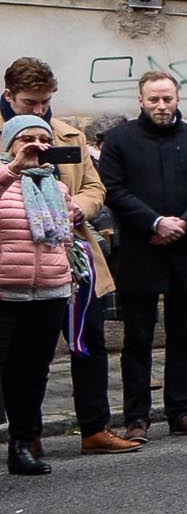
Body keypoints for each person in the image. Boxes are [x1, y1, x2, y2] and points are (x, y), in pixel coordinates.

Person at [98, 69, 187, 442]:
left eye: (167, 98)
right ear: (141, 101)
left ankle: (181, 411)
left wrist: (183, 223)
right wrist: (154, 222)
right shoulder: (120, 140)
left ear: (177, 99)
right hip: (141, 251)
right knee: (137, 339)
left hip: (186, 251)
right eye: (153, 99)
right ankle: (136, 417)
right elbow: (113, 190)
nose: (161, 105)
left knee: (184, 337)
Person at [3, 57, 116, 445]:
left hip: (70, 255)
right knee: (24, 355)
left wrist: (78, 208)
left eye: (45, 102)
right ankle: (26, 436)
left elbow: (94, 187)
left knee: (89, 339)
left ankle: (95, 428)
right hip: (14, 260)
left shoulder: (69, 135)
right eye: (30, 103)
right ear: (8, 96)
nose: (39, 111)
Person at [1, 115, 78, 476]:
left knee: (32, 372)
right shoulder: (4, 178)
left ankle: (22, 444)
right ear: (9, 144)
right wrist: (14, 169)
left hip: (49, 290)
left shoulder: (56, 186)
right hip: (5, 290)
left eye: (44, 139)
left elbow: (63, 240)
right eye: (26, 138)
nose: (36, 145)